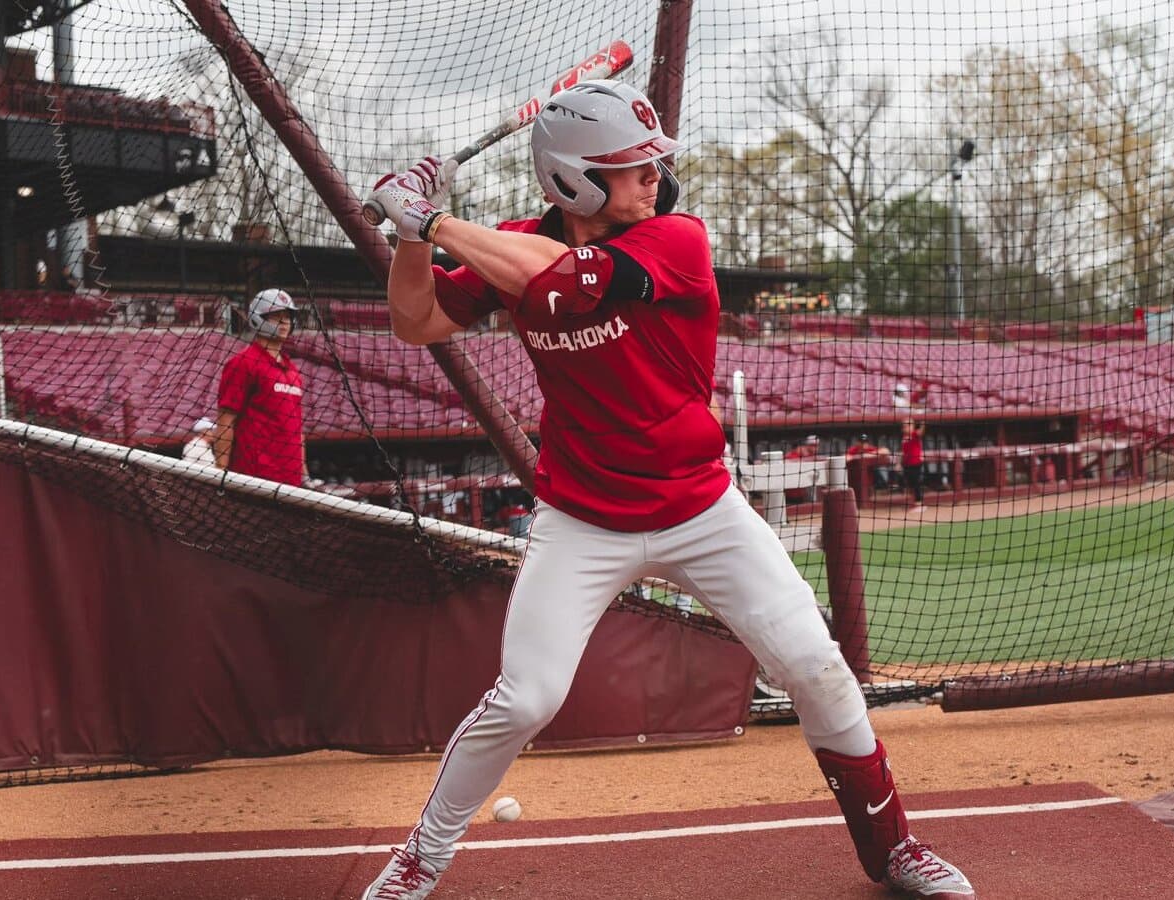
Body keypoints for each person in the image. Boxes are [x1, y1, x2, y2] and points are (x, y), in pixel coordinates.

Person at [359, 80, 974, 899]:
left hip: (701, 509)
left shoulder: (674, 240)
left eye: (654, 164)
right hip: (582, 517)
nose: (653, 177)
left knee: (816, 666)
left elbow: (561, 277)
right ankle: (420, 858)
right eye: (630, 167)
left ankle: (894, 849)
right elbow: (417, 322)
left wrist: (434, 220)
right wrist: (408, 238)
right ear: (573, 180)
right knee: (527, 697)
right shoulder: (508, 244)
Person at [211, 288, 308, 487]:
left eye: (287, 317)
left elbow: (298, 431)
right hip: (255, 479)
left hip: (291, 481)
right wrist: (220, 471)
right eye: (276, 317)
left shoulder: (292, 371)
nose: (284, 322)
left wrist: (304, 475)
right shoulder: (243, 363)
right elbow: (226, 421)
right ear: (258, 318)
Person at [902, 421, 926, 513]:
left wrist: (923, 423)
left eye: (908, 425)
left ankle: (919, 504)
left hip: (915, 463)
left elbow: (921, 432)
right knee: (910, 484)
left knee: (916, 484)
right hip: (907, 464)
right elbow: (904, 451)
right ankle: (914, 503)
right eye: (904, 426)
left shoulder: (914, 434)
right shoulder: (904, 437)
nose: (905, 427)